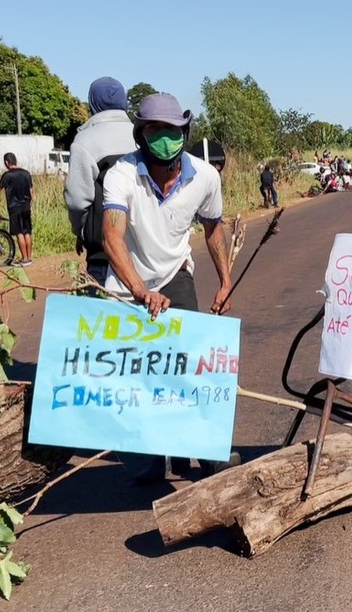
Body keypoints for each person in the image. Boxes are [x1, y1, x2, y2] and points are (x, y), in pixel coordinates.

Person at [100, 93, 237, 479]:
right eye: (155, 130)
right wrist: (141, 291)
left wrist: (225, 280)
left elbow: (213, 229)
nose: (165, 138)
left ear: (185, 131)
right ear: (140, 135)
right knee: (138, 373)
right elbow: (112, 238)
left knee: (189, 367)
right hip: (128, 284)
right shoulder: (121, 175)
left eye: (173, 130)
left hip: (175, 274)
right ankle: (149, 459)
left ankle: (208, 453)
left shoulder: (205, 176)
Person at [64, 76, 137, 285]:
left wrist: (81, 231)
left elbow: (77, 201)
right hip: (146, 250)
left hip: (104, 253)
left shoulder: (85, 140)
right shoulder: (142, 134)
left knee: (105, 313)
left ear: (92, 103)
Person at [0, 153, 34, 265]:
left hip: (14, 207)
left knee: (19, 232)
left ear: (7, 162)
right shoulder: (26, 173)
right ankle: (29, 258)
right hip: (26, 206)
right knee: (27, 231)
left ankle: (24, 259)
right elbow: (32, 191)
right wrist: (30, 204)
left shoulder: (7, 175)